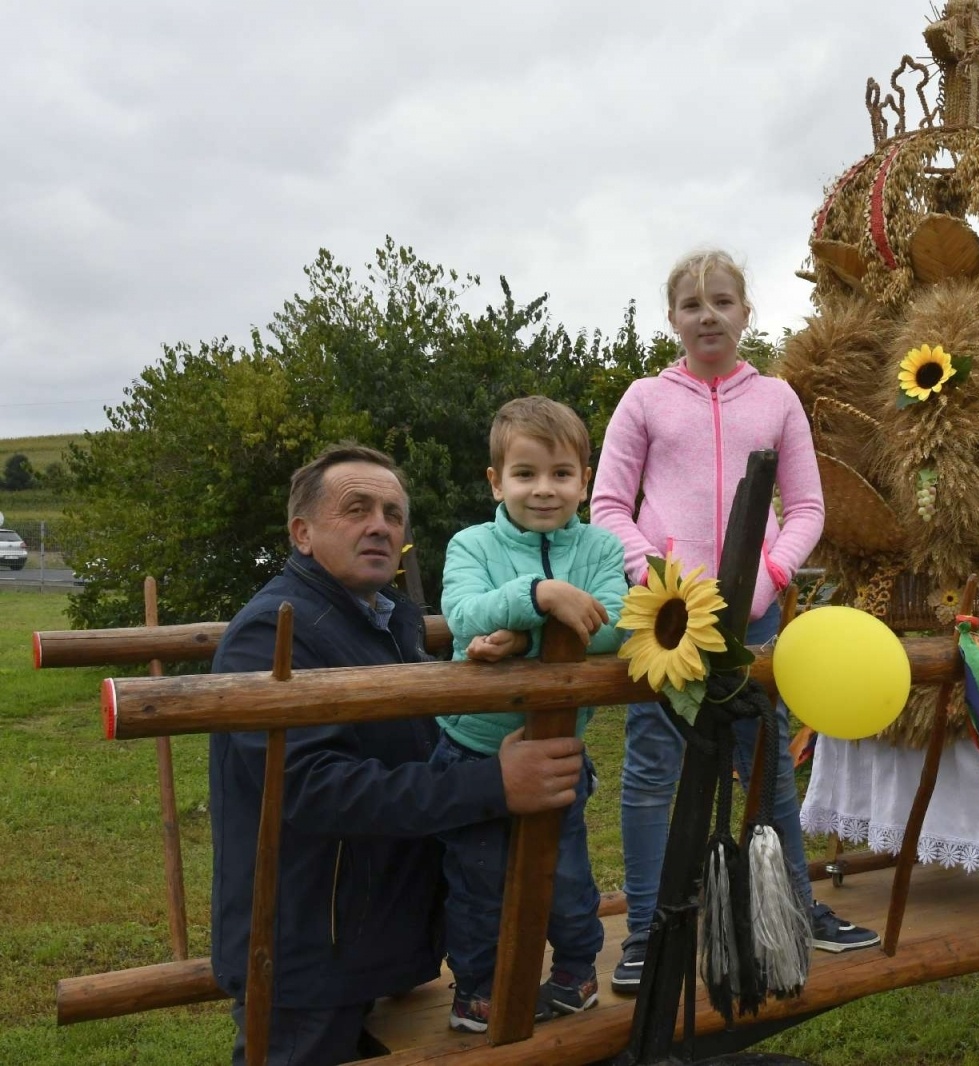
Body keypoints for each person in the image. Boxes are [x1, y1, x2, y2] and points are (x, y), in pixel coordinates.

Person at [210, 443, 586, 1066]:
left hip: (363, 942)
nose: (379, 525)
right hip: (307, 952)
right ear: (302, 533)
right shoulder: (272, 632)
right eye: (355, 509)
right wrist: (494, 783)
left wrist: (482, 670)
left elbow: (413, 737)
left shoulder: (385, 619)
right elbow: (314, 788)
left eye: (392, 513)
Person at [591, 248, 880, 994]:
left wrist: (768, 579)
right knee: (654, 770)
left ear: (746, 313)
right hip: (668, 618)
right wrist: (652, 576)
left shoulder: (777, 399)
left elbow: (807, 508)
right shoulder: (644, 399)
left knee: (765, 764)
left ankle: (797, 906)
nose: (708, 315)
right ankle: (649, 930)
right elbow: (609, 507)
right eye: (692, 305)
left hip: (750, 622)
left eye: (722, 301)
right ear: (673, 320)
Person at [432, 396, 627, 1033]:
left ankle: (575, 972)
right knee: (479, 881)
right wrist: (540, 595)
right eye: (525, 474)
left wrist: (527, 635)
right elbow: (465, 617)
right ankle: (480, 989)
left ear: (585, 479)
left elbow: (617, 624)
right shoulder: (470, 545)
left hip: (558, 749)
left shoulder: (599, 548)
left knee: (566, 875)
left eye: (561, 473)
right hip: (473, 751)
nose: (544, 489)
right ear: (496, 481)